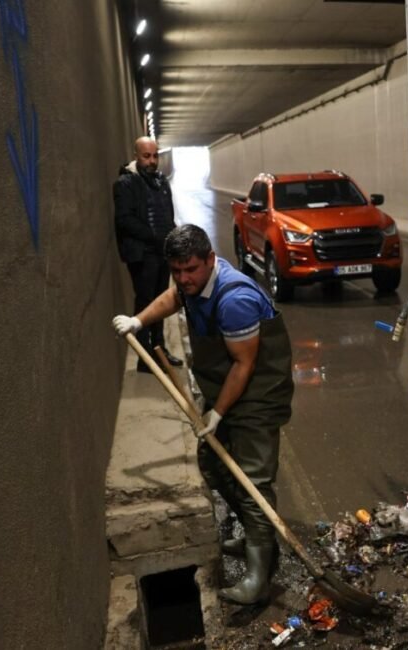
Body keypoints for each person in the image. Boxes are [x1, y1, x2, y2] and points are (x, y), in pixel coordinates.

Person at [112, 225, 294, 605]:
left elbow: (244, 365)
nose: (184, 278)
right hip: (228, 392)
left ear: (210, 260)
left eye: (191, 269)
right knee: (212, 463)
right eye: (177, 270)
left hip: (257, 397)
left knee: (253, 483)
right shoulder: (191, 284)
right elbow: (172, 297)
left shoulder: (234, 299)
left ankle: (261, 573)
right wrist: (139, 321)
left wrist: (217, 414)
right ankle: (251, 531)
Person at [113, 136, 182, 370]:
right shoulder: (125, 183)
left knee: (160, 304)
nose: (152, 161)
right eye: (147, 156)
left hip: (161, 253)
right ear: (136, 156)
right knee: (145, 305)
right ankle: (145, 359)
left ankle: (160, 352)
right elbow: (124, 220)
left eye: (155, 156)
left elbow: (167, 216)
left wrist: (171, 238)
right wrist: (153, 235)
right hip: (142, 256)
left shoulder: (161, 182)